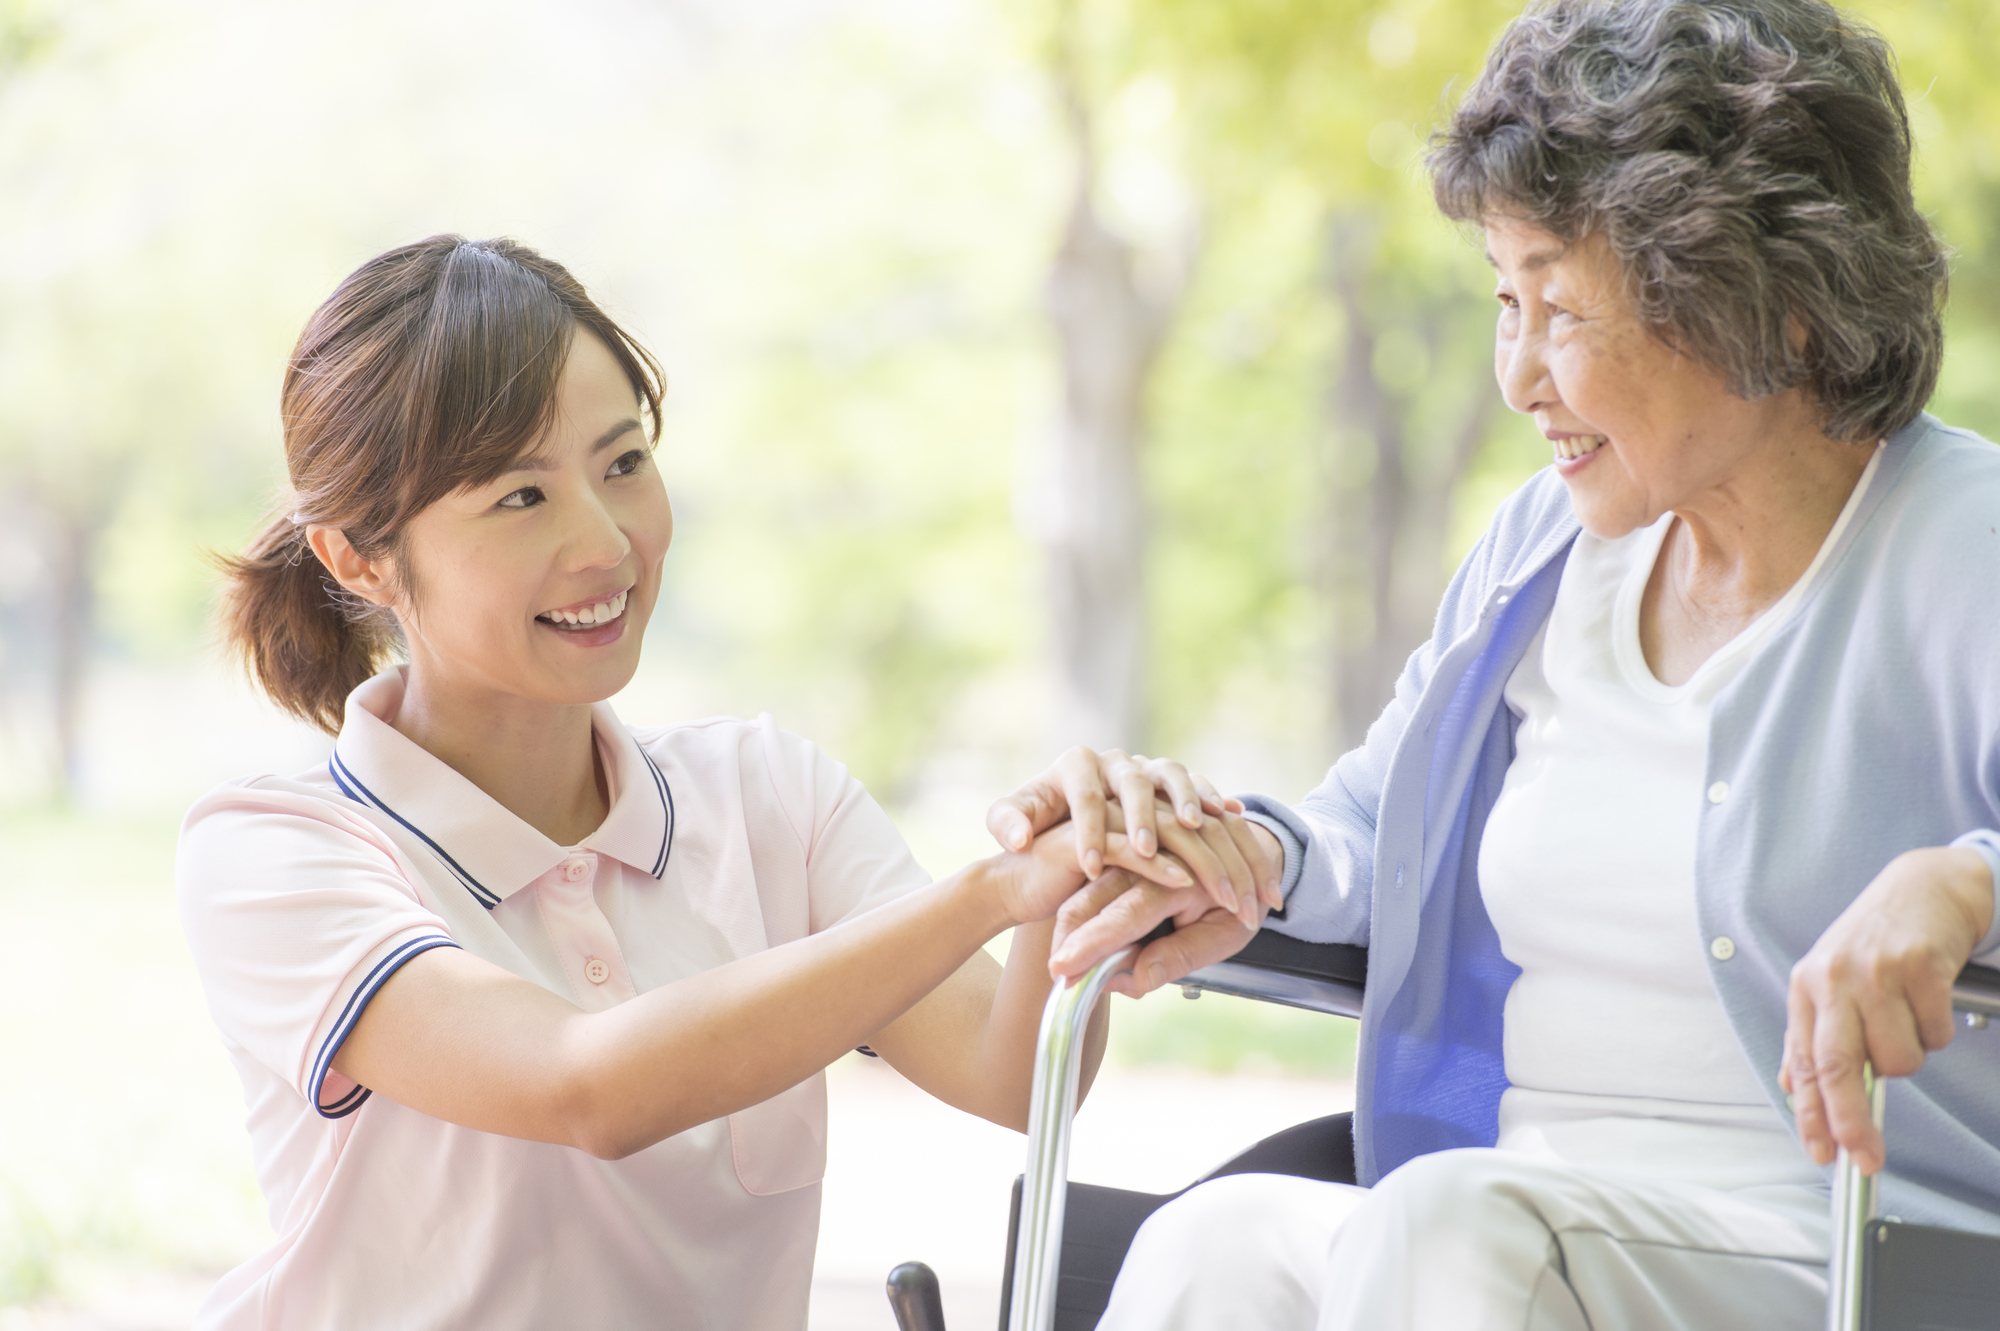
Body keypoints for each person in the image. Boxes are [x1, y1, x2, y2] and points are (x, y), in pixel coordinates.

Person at [991, 0, 2000, 1325]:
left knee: (1449, 1215)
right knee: (1225, 1234)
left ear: (1774, 307)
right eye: (1501, 298)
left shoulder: (1964, 547)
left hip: (1861, 1249)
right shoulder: (1544, 551)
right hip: (1507, 1232)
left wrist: (1965, 876)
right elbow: (1373, 828)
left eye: (1561, 307)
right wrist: (1232, 855)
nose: (1516, 372)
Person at [177, 235, 1280, 1330]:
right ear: (357, 557)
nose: (606, 541)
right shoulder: (278, 849)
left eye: (623, 463)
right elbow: (585, 1086)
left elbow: (1009, 1072)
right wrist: (990, 890)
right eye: (520, 496)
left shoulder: (766, 796)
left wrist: (1069, 866)